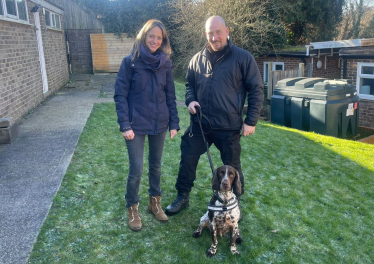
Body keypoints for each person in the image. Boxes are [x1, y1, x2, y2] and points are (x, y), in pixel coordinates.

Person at [165, 16, 263, 216]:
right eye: (210, 33)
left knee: (233, 166)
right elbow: (189, 85)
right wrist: (190, 100)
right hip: (200, 125)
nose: (214, 37)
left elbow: (256, 90)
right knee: (188, 157)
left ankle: (234, 202)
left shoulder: (243, 58)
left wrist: (251, 121)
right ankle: (182, 195)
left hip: (228, 126)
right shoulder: (196, 59)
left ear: (227, 31)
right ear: (205, 34)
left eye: (218, 32)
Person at [114, 19, 180, 231]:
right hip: (135, 124)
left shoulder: (165, 63)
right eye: (151, 36)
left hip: (159, 124)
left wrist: (174, 123)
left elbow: (170, 94)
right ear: (144, 36)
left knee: (156, 166)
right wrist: (125, 124)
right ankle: (132, 208)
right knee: (136, 169)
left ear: (163, 41)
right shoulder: (130, 62)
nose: (155, 40)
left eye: (159, 38)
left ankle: (155, 203)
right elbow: (120, 95)